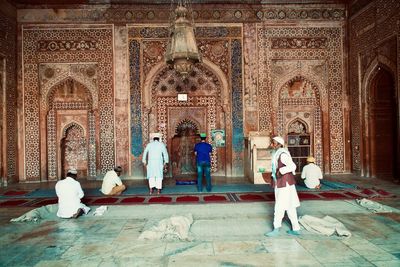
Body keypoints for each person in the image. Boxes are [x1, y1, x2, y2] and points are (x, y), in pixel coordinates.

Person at [265, 136, 301, 237]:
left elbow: (293, 166)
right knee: (290, 206)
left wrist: (281, 171)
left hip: (284, 184)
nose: (272, 144)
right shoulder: (278, 153)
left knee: (279, 206)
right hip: (284, 183)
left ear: (278, 144)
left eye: (273, 142)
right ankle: (296, 228)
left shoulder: (282, 154)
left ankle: (276, 228)